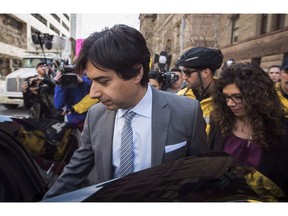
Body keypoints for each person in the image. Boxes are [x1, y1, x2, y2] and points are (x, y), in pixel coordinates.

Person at [43, 24, 209, 199]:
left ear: (137, 73)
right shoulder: (95, 115)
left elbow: (202, 176)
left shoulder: (186, 112)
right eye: (91, 81)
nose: (93, 93)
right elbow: (74, 172)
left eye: (103, 81)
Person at [209, 62, 288, 195]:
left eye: (238, 97)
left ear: (257, 96)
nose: (230, 103)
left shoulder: (282, 129)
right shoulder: (219, 122)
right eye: (226, 97)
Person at [176, 47, 223, 134]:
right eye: (183, 72)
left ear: (205, 73)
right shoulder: (180, 97)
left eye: (188, 73)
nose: (184, 77)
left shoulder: (225, 100)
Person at [53, 67, 92, 131]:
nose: (69, 79)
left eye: (72, 77)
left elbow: (95, 90)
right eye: (66, 77)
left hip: (89, 117)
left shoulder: (85, 81)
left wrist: (82, 82)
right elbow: (58, 105)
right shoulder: (63, 86)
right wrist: (59, 85)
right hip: (73, 120)